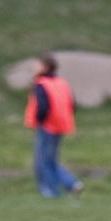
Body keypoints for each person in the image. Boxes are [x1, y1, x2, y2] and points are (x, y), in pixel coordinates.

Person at [24, 52, 83, 198]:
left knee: (42, 162)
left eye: (37, 65)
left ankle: (51, 191)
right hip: (61, 125)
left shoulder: (41, 84)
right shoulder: (62, 83)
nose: (34, 68)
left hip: (47, 126)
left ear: (45, 67)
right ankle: (71, 184)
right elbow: (72, 104)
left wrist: (39, 120)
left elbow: (42, 106)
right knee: (50, 159)